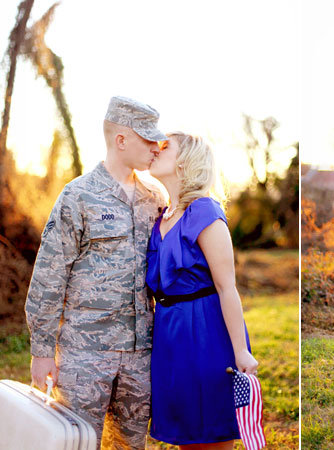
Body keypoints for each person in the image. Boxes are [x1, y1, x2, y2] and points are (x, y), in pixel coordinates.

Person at [25, 96, 167, 449]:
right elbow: (49, 275)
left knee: (130, 446)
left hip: (140, 355)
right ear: (121, 140)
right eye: (147, 139)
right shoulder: (78, 196)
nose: (156, 146)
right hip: (84, 355)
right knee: (77, 443)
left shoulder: (155, 199)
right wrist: (42, 350)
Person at [146, 131, 258, 449]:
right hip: (169, 334)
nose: (156, 150)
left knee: (212, 429)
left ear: (184, 162)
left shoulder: (204, 212)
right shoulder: (161, 217)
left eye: (165, 147)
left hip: (206, 332)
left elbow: (227, 288)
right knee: (187, 434)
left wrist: (241, 351)